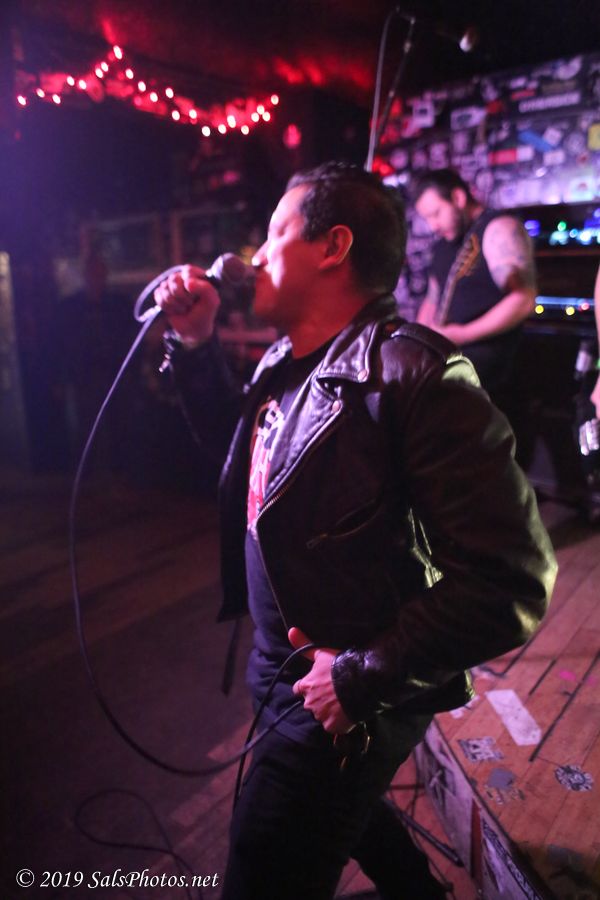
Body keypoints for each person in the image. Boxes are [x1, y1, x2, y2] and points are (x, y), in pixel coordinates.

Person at [154, 162, 557, 900]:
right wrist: (196, 341)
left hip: (352, 688)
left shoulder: (416, 375)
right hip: (283, 667)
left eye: (275, 233)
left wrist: (357, 676)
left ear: (333, 246)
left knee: (266, 864)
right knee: (350, 812)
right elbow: (236, 456)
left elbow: (513, 580)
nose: (255, 256)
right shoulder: (285, 360)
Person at [413, 168, 536, 400]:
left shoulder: (498, 228)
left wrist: (461, 334)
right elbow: (432, 300)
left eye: (436, 213)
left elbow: (523, 300)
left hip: (488, 370)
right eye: (427, 218)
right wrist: (416, 343)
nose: (433, 226)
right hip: (451, 362)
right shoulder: (443, 245)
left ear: (458, 197)